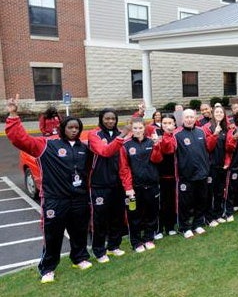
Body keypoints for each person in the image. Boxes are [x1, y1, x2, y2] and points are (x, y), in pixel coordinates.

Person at [5, 95, 92, 283]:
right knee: (53, 236)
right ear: (62, 128)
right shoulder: (46, 145)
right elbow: (20, 139)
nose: (74, 130)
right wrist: (13, 114)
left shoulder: (84, 148)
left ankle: (79, 258)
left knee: (79, 231)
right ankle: (47, 268)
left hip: (78, 198)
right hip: (55, 200)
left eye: (77, 128)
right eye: (70, 127)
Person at [161, 109, 213, 238]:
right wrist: (167, 134)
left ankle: (198, 224)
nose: (189, 119)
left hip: (202, 174)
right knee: (185, 204)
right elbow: (168, 150)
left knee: (201, 201)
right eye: (187, 117)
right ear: (182, 119)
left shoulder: (201, 131)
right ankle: (185, 227)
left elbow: (207, 149)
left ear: (195, 118)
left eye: (191, 117)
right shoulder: (176, 134)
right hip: (185, 176)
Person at [88, 108, 131, 263]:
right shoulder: (94, 134)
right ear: (101, 119)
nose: (110, 121)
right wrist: (121, 136)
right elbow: (104, 151)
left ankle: (114, 246)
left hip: (117, 184)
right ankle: (99, 251)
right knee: (100, 219)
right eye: (107, 118)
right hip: (100, 184)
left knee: (117, 217)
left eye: (113, 118)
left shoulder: (119, 134)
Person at [119, 118, 162, 253]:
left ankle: (149, 238)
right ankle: (136, 242)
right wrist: (128, 187)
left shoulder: (151, 141)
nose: (138, 130)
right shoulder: (126, 145)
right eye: (135, 128)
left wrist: (156, 146)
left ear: (145, 128)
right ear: (131, 129)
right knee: (134, 216)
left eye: (140, 128)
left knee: (152, 214)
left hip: (152, 185)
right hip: (135, 188)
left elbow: (157, 159)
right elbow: (124, 168)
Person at [202, 106, 232, 225]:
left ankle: (218, 214)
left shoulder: (225, 128)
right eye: (217, 112)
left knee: (220, 191)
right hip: (211, 165)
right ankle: (209, 217)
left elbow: (227, 149)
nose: (219, 114)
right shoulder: (207, 128)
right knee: (210, 192)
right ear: (212, 114)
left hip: (222, 166)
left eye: (221, 112)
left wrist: (227, 162)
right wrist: (215, 134)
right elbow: (208, 147)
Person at [154, 114, 178, 237]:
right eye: (165, 123)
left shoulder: (177, 135)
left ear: (174, 124)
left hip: (175, 175)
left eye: (170, 123)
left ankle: (170, 226)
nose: (168, 125)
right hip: (161, 176)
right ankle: (158, 229)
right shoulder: (159, 136)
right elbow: (168, 149)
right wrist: (166, 135)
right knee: (161, 203)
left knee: (171, 202)